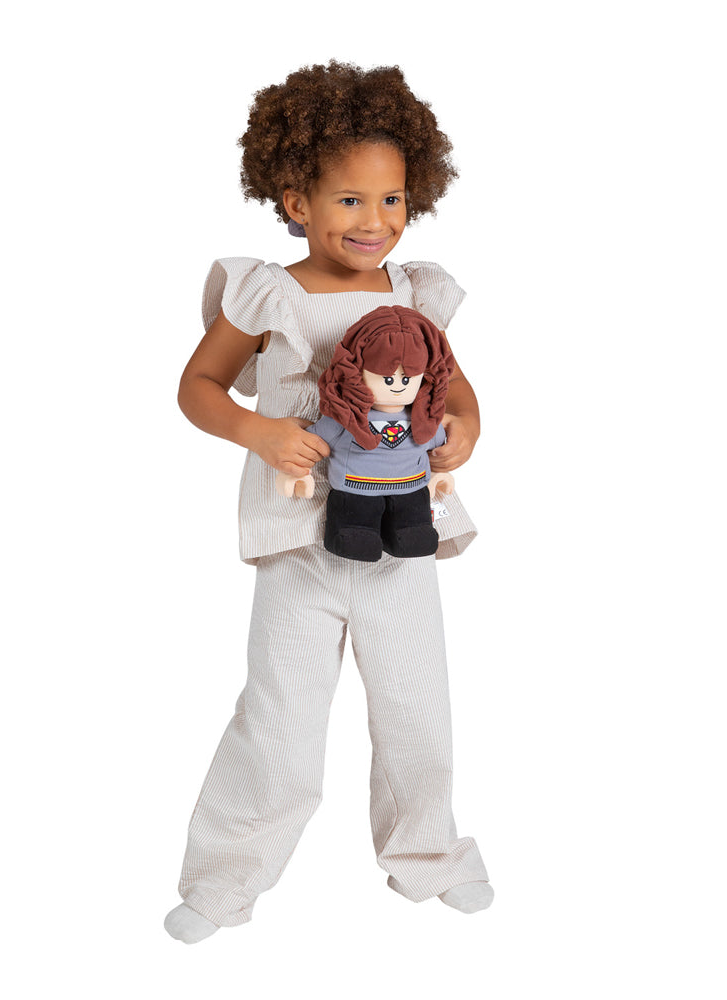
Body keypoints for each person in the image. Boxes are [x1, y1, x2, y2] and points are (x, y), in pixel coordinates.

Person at [166, 61, 491, 945]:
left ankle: (431, 856)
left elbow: (456, 390)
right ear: (295, 200)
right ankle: (224, 881)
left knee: (418, 713)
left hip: (399, 537)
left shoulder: (413, 294)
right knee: (280, 723)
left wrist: (464, 429)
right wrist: (260, 432)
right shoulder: (267, 292)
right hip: (298, 540)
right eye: (349, 200)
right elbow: (197, 387)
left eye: (392, 200)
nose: (374, 221)